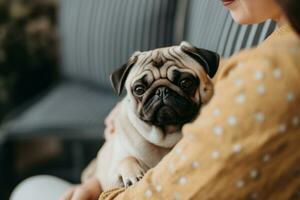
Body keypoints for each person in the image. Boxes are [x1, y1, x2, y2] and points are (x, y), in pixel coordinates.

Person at [10, 0, 300, 199]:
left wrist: (101, 186)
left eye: (183, 83)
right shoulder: (275, 44)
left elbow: (172, 191)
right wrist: (128, 110)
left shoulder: (273, 72)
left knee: (30, 189)